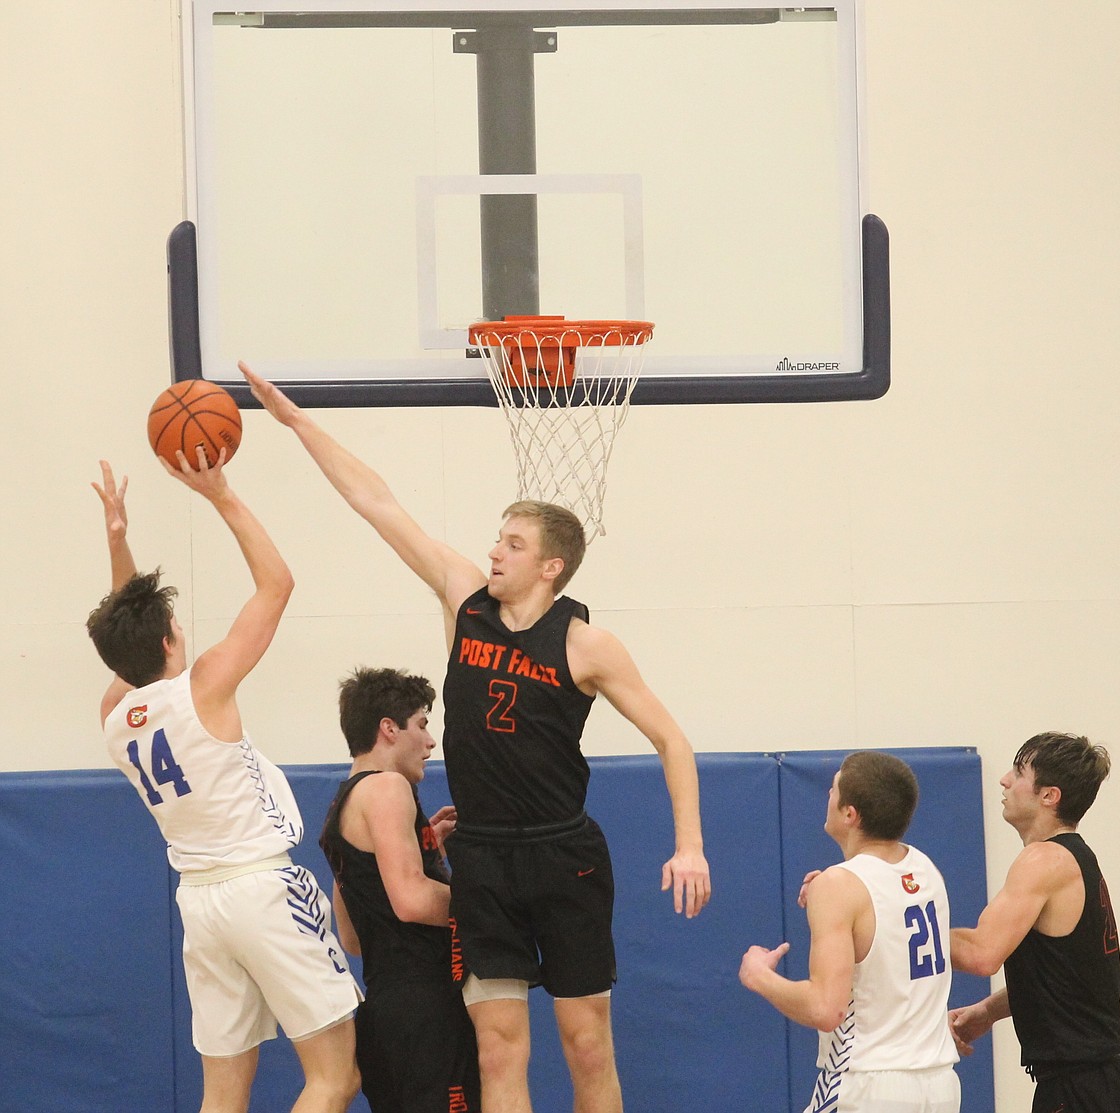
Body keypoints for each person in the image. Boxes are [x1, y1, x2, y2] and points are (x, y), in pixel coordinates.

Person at [241, 360, 711, 1113]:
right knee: (499, 1048)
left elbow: (673, 740)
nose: (495, 551)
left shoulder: (586, 643)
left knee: (587, 1043)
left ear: (551, 565)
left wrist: (688, 843)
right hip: (485, 858)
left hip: (564, 854)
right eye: (497, 538)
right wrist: (298, 423)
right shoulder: (466, 604)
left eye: (514, 543)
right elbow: (379, 504)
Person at [86, 453, 362, 1113]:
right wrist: (220, 492)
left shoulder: (114, 716)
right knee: (335, 1076)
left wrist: (119, 543)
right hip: (262, 887)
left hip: (200, 904)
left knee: (222, 1094)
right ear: (172, 639)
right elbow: (277, 583)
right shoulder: (204, 682)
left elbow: (128, 644)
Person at [739, 750, 960, 1113]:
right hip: (939, 1084)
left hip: (869, 1079)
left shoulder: (840, 886)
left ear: (849, 814)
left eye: (833, 789)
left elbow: (826, 1010)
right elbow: (882, 919)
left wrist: (759, 976)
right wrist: (831, 888)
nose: (827, 795)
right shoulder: (923, 867)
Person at [948, 731, 1120, 1112]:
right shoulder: (1075, 857)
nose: (1005, 780)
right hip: (1095, 1085)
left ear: (1049, 795)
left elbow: (981, 954)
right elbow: (1067, 977)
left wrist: (894, 921)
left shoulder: (1043, 861)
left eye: (1018, 772)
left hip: (1081, 1089)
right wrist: (988, 1011)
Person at [318, 666, 481, 1113]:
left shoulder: (340, 807)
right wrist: (489, 900)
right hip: (427, 1012)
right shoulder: (389, 787)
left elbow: (351, 938)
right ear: (388, 729)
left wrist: (417, 849)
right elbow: (410, 901)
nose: (430, 742)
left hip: (385, 1015)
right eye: (423, 725)